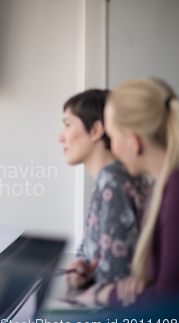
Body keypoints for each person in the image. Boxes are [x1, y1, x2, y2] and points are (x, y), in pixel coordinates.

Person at [79, 78, 179, 308]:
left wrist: (104, 295)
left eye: (112, 138)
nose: (112, 148)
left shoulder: (175, 190)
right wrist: (139, 284)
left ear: (132, 141)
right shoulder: (160, 187)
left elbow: (168, 303)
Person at [58, 89, 149, 290]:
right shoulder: (110, 177)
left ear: (96, 131)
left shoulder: (113, 180)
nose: (60, 137)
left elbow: (116, 275)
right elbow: (91, 253)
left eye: (67, 125)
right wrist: (81, 267)